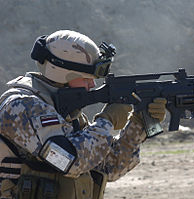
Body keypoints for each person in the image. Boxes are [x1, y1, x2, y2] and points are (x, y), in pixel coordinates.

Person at [0, 30, 167, 199]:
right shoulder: (21, 106)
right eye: (86, 78)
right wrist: (106, 122)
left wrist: (139, 123)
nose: (92, 84)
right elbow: (69, 162)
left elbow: (110, 166)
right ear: (63, 74)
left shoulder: (67, 113)